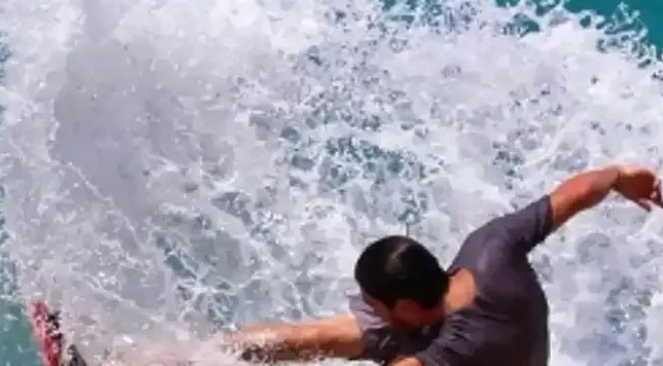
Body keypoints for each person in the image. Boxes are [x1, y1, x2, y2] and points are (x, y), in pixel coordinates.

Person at [216, 164, 662, 365]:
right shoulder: (492, 248)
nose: (363, 304)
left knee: (329, 337)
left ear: (407, 305)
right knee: (319, 336)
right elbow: (580, 192)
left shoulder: (449, 351)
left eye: (371, 300)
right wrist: (621, 178)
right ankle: (208, 357)